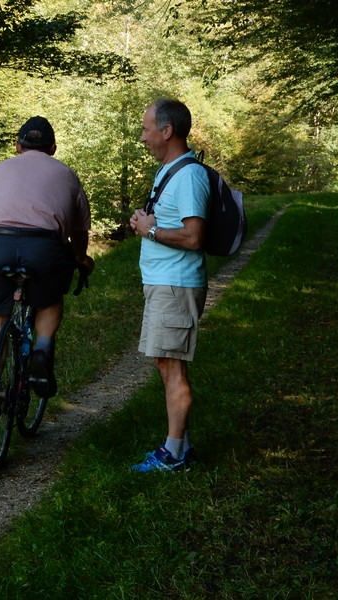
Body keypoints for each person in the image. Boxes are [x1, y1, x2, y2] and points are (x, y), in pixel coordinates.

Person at [0, 116, 94, 407]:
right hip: (44, 246)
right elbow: (80, 229)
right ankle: (42, 347)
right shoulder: (67, 174)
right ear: (53, 148)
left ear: (17, 145)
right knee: (50, 300)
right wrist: (80, 258)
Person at [128, 98, 209, 472]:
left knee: (171, 367)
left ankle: (173, 454)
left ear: (167, 131)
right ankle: (182, 447)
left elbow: (194, 237)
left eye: (146, 129)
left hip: (175, 285)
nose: (142, 137)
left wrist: (152, 229)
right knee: (165, 362)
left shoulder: (189, 175)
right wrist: (147, 221)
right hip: (163, 283)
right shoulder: (169, 170)